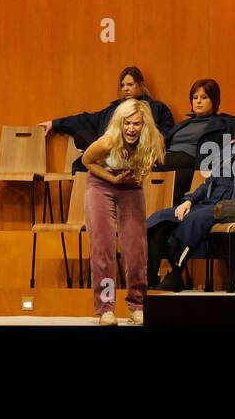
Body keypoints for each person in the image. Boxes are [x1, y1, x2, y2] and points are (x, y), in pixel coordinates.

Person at [146, 104, 235, 291]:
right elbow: (210, 182)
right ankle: (150, 279)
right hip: (210, 201)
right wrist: (189, 201)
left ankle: (175, 274)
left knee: (193, 220)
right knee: (160, 219)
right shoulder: (228, 150)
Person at [81, 99, 164, 326]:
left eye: (136, 124)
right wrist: (112, 178)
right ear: (120, 123)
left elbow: (146, 167)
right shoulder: (108, 141)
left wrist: (133, 178)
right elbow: (86, 160)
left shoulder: (151, 142)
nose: (131, 129)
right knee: (104, 246)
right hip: (101, 184)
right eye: (127, 123)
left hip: (130, 187)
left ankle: (137, 305)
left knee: (136, 248)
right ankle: (106, 308)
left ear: (143, 126)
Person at [39, 66, 176, 173]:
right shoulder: (113, 109)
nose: (125, 89)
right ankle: (109, 160)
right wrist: (55, 123)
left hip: (136, 156)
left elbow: (166, 136)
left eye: (130, 84)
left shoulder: (156, 108)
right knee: (81, 135)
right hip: (109, 154)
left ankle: (114, 161)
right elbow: (85, 119)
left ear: (140, 85)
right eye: (122, 85)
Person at [161, 79, 235, 192]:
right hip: (165, 162)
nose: (198, 101)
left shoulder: (225, 123)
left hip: (193, 168)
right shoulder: (183, 124)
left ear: (214, 100)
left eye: (204, 97)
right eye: (195, 98)